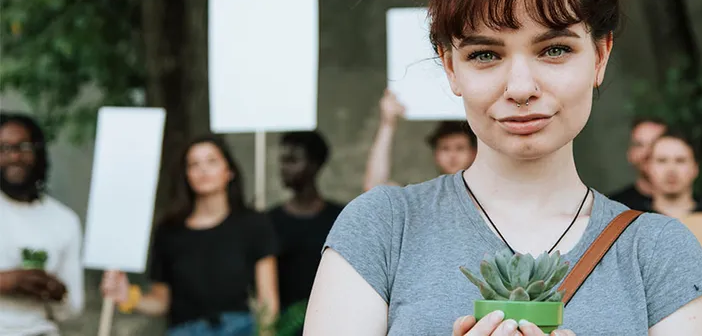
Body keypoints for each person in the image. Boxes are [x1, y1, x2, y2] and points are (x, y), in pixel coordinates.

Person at [304, 0, 702, 334]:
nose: (521, 88)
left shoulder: (659, 252)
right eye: (485, 55)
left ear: (599, 56)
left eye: (554, 49)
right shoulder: (382, 228)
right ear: (450, 67)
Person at [101, 135, 280, 335]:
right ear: (186, 174)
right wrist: (129, 297)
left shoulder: (253, 224)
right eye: (194, 164)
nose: (203, 170)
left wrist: (267, 332)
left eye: (211, 161)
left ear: (229, 171)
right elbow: (162, 302)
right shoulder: (169, 231)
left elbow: (267, 299)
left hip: (239, 329)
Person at [644, 132, 702, 334]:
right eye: (662, 161)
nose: (671, 170)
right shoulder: (632, 224)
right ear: (648, 167)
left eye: (680, 161)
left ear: (695, 168)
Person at [0, 113, 84, 336]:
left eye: (24, 146)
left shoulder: (64, 220)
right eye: (4, 148)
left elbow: (73, 309)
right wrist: (6, 282)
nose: (15, 156)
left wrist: (57, 292)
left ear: (38, 153)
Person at [267, 131, 344, 313]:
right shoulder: (269, 221)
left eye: (292, 161)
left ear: (314, 165)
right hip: (284, 326)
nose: (283, 167)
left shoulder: (340, 218)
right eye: (282, 160)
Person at [363, 89, 477, 191]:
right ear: (436, 154)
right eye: (445, 148)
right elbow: (374, 187)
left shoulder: (487, 193)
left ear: (473, 152)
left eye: (460, 148)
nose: (452, 155)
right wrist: (387, 124)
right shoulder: (422, 195)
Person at [610, 117, 668, 211]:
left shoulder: (698, 209)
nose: (647, 152)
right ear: (630, 154)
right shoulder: (614, 209)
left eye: (655, 144)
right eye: (639, 145)